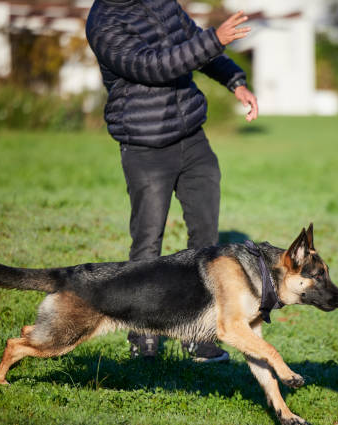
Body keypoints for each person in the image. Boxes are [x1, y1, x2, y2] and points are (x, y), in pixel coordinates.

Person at [86, 0, 258, 362]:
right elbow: (154, 66)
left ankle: (198, 334)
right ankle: (143, 334)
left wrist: (234, 80)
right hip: (145, 146)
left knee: (206, 240)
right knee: (148, 244)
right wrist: (215, 39)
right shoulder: (104, 22)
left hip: (192, 138)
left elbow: (192, 42)